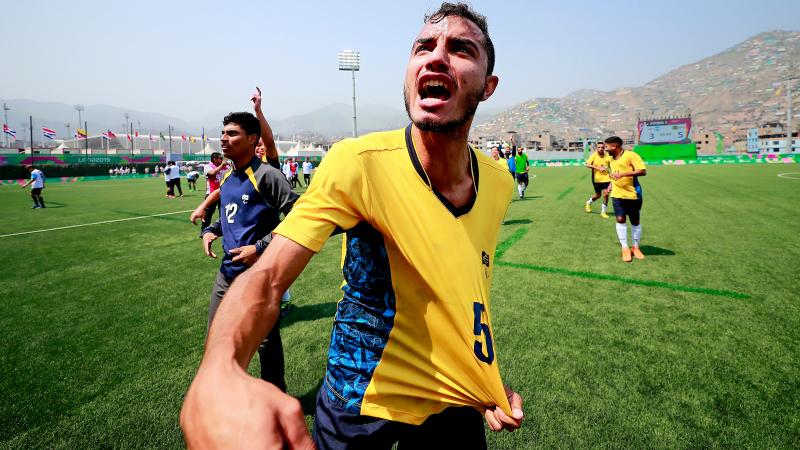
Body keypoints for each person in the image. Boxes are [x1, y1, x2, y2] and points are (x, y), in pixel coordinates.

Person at [180, 3, 523, 449]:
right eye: (423, 47)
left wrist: (482, 375)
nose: (436, 56)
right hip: (362, 394)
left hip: (454, 397)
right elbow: (268, 277)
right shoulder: (357, 163)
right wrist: (218, 370)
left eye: (461, 49)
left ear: (488, 85)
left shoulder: (497, 182)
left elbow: (463, 286)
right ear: (409, 72)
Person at [199, 110, 298, 394]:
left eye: (232, 134)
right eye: (223, 133)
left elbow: (297, 216)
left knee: (266, 344)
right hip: (226, 275)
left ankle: (275, 398)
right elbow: (230, 217)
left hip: (259, 276)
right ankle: (222, 397)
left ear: (252, 138)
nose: (224, 139)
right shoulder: (229, 178)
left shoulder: (268, 176)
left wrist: (259, 248)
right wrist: (210, 231)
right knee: (217, 338)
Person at [605, 135, 647, 262]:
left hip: (633, 194)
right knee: (620, 219)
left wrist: (623, 174)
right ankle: (625, 248)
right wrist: (611, 184)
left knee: (635, 220)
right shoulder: (611, 159)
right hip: (617, 195)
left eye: (607, 146)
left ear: (615, 146)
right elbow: (614, 173)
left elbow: (643, 171)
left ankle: (635, 247)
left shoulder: (631, 155)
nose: (606, 149)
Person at [584, 142, 612, 218]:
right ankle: (588, 202)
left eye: (602, 147)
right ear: (596, 148)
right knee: (598, 195)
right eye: (599, 147)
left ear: (604, 148)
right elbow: (587, 164)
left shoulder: (608, 156)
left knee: (606, 194)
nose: (600, 149)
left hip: (606, 178)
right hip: (596, 179)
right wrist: (598, 168)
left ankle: (603, 212)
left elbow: (612, 166)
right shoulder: (594, 155)